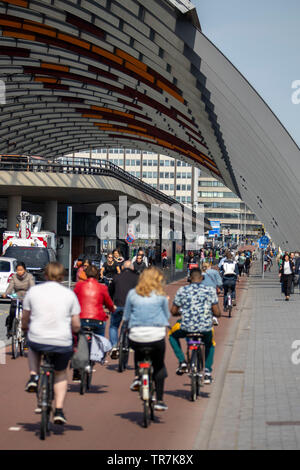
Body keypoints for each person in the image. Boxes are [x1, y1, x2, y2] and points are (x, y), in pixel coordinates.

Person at [21, 262, 81, 425]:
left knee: (32, 348)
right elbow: (76, 324)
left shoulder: (34, 291)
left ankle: (33, 377)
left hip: (38, 338)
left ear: (45, 275)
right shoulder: (69, 295)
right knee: (60, 373)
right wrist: (75, 331)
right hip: (61, 341)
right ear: (63, 276)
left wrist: (25, 327)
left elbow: (25, 318)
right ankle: (59, 410)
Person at [123, 267, 170, 411]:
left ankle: (138, 377)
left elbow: (126, 316)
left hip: (136, 335)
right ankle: (160, 400)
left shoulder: (132, 294)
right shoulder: (161, 296)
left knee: (138, 350)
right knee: (159, 365)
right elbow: (167, 316)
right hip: (156, 336)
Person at [169, 268, 221, 383]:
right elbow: (217, 312)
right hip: (205, 327)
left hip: (187, 327)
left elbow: (173, 311)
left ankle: (182, 361)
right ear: (202, 278)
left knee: (172, 336)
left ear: (189, 279)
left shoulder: (182, 291)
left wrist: (180, 313)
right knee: (210, 344)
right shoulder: (209, 291)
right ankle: (207, 372)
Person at [73, 265, 115, 380]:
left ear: (85, 275)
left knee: (75, 337)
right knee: (100, 337)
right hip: (98, 320)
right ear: (97, 275)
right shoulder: (102, 288)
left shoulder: (79, 285)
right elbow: (109, 303)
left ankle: (76, 358)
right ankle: (99, 353)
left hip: (81, 318)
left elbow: (73, 300)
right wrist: (112, 310)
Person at [108, 260, 139, 358]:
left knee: (113, 326)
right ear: (132, 268)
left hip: (117, 306)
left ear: (122, 268)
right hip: (131, 308)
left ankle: (114, 347)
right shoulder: (137, 278)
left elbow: (110, 291)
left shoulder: (116, 277)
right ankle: (129, 343)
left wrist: (110, 304)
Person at [3, 261, 35, 338]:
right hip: (16, 296)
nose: (19, 272)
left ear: (25, 270)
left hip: (26, 296)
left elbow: (32, 286)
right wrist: (6, 293)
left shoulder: (29, 276)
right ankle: (10, 328)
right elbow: (10, 287)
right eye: (18, 270)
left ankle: (28, 333)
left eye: (21, 270)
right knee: (12, 311)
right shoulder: (14, 277)